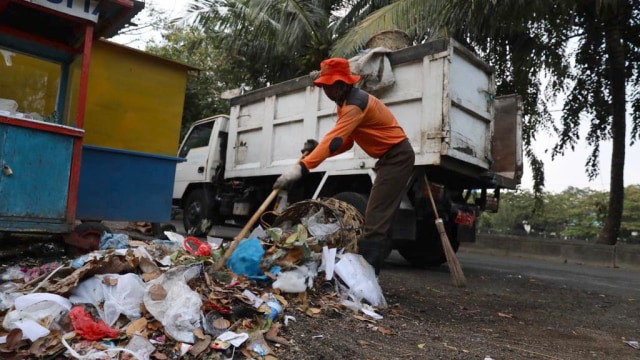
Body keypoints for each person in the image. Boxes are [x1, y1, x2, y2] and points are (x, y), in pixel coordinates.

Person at [273, 57, 415, 275]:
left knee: (375, 219)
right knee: (377, 216)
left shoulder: (355, 104)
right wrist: (317, 149)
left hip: (397, 158)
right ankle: (365, 275)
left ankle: (366, 281)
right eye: (324, 87)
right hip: (389, 159)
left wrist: (302, 167)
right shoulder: (345, 104)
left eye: (328, 86)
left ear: (341, 84)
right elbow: (345, 142)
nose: (326, 92)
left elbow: (335, 139)